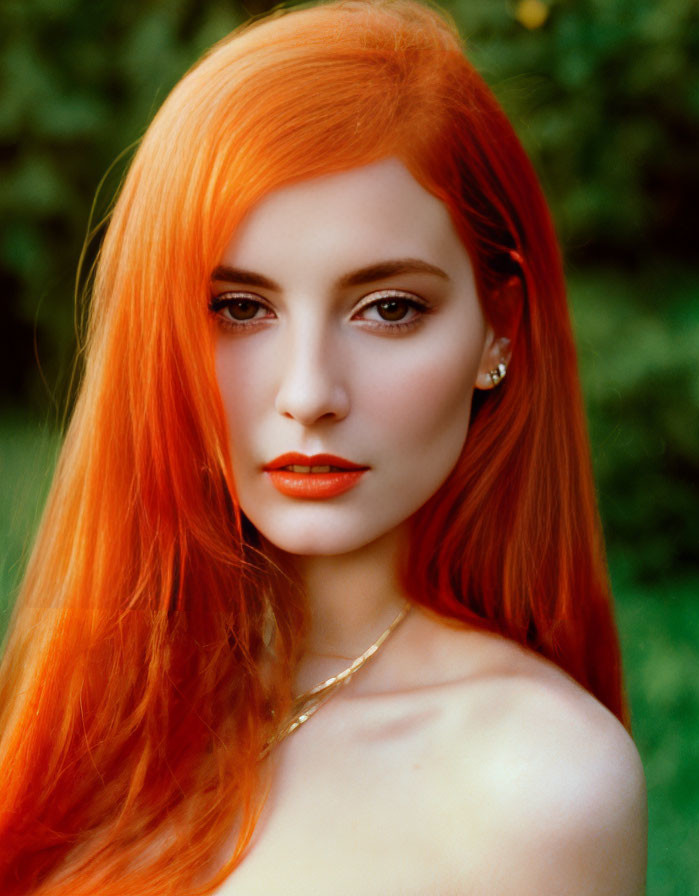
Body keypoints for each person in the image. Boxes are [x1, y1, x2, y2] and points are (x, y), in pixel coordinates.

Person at [0, 1, 647, 893]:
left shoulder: (535, 784)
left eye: (388, 308)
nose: (309, 394)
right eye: (240, 308)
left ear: (500, 329)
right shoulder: (109, 698)